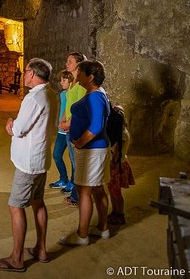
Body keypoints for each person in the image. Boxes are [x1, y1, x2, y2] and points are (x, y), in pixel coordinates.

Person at [0, 58, 58, 272]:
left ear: (32, 74)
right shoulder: (52, 94)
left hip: (28, 162)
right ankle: (41, 249)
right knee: (38, 202)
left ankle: (16, 259)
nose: (25, 74)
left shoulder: (34, 98)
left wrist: (10, 122)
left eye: (27, 70)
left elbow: (19, 129)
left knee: (16, 206)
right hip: (40, 158)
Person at [59, 59, 111, 246]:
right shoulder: (95, 94)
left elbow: (96, 125)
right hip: (95, 149)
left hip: (91, 150)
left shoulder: (95, 96)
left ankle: (82, 235)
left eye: (80, 73)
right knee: (96, 188)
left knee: (84, 190)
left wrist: (80, 142)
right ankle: (103, 228)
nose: (77, 75)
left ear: (90, 77)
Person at [58, 51, 88, 207]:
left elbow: (81, 109)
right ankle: (76, 193)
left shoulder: (81, 86)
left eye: (69, 61)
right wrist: (63, 117)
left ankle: (78, 197)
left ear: (78, 64)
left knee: (77, 163)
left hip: (76, 128)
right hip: (70, 128)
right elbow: (69, 104)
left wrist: (68, 124)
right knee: (74, 161)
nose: (66, 63)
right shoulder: (73, 83)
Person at [107, 107, 135, 225]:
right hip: (118, 164)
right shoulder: (123, 132)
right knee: (112, 190)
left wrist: (111, 164)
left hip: (118, 166)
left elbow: (116, 154)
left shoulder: (122, 134)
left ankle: (120, 214)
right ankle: (115, 212)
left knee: (116, 192)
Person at [48, 70, 74, 190]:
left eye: (64, 80)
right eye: (61, 80)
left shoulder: (74, 94)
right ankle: (64, 179)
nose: (61, 82)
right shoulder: (63, 94)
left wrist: (65, 122)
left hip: (70, 129)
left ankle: (73, 183)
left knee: (73, 159)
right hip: (61, 130)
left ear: (71, 81)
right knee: (56, 155)